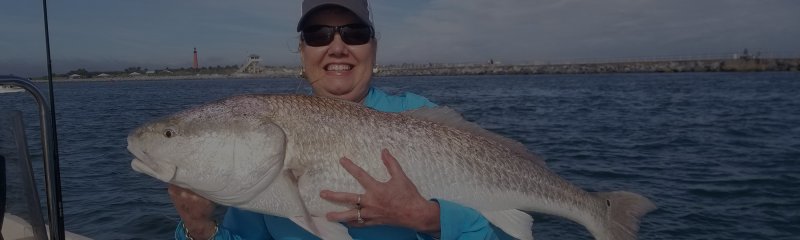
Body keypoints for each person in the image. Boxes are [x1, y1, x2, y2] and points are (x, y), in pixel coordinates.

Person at [168, 0, 513, 239]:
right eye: (319, 34)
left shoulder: (421, 118)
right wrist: (200, 228)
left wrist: (427, 219)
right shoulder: (261, 147)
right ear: (302, 52)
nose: (337, 46)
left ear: (373, 48)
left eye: (354, 33)